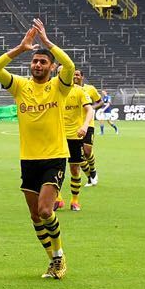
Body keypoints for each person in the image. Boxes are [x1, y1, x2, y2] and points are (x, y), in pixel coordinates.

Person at [0, 19, 74, 280]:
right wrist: (21, 48)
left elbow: (69, 65)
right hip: (29, 159)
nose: (37, 65)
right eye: (35, 61)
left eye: (43, 62)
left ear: (51, 67)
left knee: (46, 210)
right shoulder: (20, 87)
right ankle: (52, 260)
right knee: (36, 215)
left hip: (54, 157)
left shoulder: (59, 86)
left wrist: (48, 43)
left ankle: (59, 257)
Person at [57, 70, 97, 212]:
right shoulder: (54, 90)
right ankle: (58, 199)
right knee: (56, 168)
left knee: (74, 168)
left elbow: (90, 110)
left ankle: (75, 201)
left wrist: (85, 126)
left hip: (74, 136)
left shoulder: (79, 91)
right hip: (58, 135)